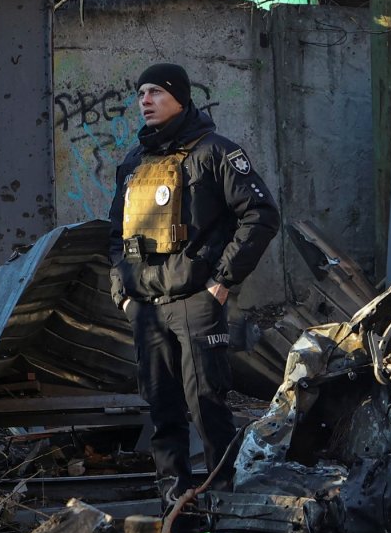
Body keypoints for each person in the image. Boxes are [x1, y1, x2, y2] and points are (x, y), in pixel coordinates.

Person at [107, 62, 280, 503]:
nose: (145, 101)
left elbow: (261, 215)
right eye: (141, 93)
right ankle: (175, 509)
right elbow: (115, 233)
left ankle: (223, 507)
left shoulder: (216, 153)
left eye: (155, 92)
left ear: (181, 97)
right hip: (146, 308)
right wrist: (122, 291)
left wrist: (222, 282)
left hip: (196, 302)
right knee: (163, 412)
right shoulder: (134, 161)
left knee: (208, 407)